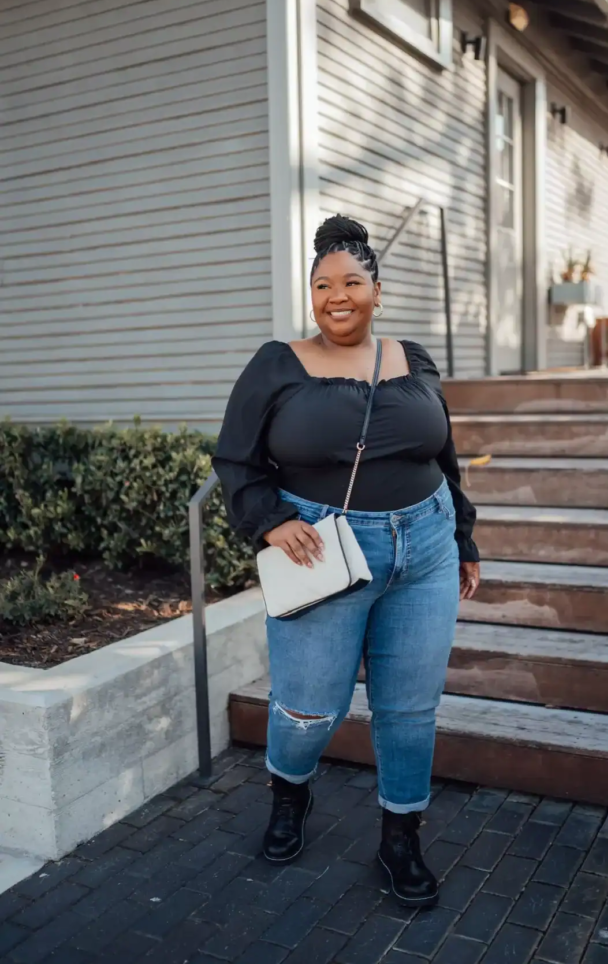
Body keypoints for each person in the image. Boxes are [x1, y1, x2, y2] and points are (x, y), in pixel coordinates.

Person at [213, 215, 480, 907]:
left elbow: (441, 457)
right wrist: (270, 521)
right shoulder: (278, 363)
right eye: (323, 284)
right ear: (312, 295)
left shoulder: (413, 359)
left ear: (377, 291)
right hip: (323, 552)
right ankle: (290, 792)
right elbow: (236, 459)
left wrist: (464, 539)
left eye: (353, 282)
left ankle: (401, 837)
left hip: (425, 546)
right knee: (308, 710)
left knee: (409, 710)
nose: (338, 296)